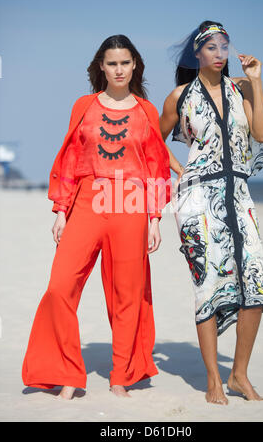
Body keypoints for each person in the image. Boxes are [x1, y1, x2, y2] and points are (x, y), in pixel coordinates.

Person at [22, 35, 171, 400]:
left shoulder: (146, 111)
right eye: (112, 63)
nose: (119, 69)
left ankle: (120, 375)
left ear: (135, 65)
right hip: (88, 200)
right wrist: (61, 210)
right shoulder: (83, 106)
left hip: (132, 203)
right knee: (60, 286)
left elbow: (156, 166)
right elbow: (71, 158)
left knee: (127, 293)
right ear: (100, 67)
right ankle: (68, 372)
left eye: (125, 62)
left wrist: (154, 217)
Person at [160, 21, 263, 405]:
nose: (218, 52)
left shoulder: (241, 87)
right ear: (197, 53)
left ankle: (239, 375)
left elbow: (260, 134)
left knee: (255, 282)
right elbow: (152, 139)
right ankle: (213, 378)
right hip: (197, 200)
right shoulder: (179, 96)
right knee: (208, 284)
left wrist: (256, 80)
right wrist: (181, 172)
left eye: (223, 45)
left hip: (239, 194)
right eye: (210, 46)